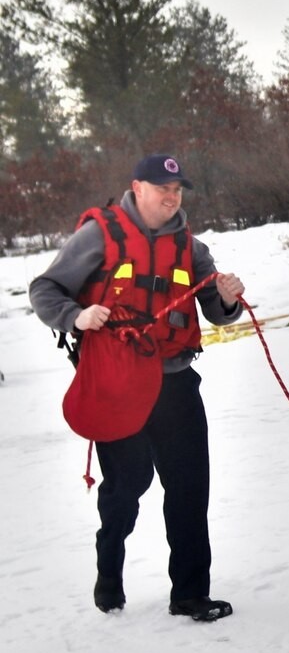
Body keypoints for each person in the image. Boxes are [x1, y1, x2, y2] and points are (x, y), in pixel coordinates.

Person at [30, 154, 246, 621]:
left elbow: (216, 310)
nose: (171, 198)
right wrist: (76, 317)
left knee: (190, 488)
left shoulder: (192, 248)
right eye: (162, 189)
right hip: (117, 383)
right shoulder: (99, 237)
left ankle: (190, 593)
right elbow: (44, 289)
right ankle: (109, 567)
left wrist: (228, 300)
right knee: (128, 487)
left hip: (176, 383)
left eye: (178, 191)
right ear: (137, 188)